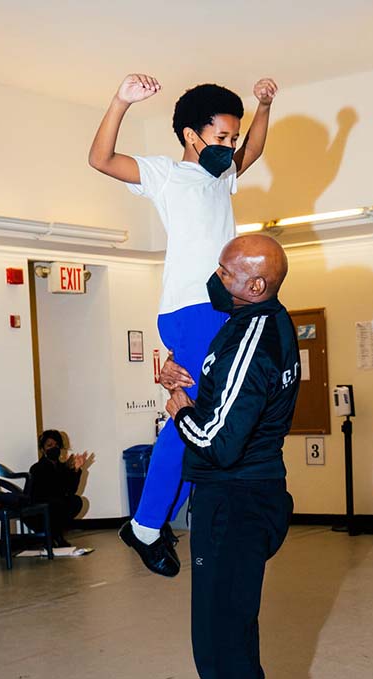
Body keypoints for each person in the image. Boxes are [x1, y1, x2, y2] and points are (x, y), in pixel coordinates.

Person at [89, 73, 278, 576]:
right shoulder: (166, 174)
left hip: (218, 306)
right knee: (191, 415)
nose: (230, 146)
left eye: (232, 138)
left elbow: (254, 151)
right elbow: (101, 160)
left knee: (209, 414)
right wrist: (120, 99)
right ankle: (146, 525)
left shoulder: (221, 176)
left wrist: (262, 107)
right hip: (192, 307)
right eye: (221, 137)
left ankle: (159, 519)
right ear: (192, 135)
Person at [162, 234, 300, 679]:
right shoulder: (255, 320)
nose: (215, 278)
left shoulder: (253, 338)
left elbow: (219, 444)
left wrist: (181, 410)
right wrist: (177, 379)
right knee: (230, 634)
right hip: (247, 495)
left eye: (225, 272)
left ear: (256, 286)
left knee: (221, 647)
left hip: (234, 501)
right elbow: (231, 399)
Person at [26, 430, 88, 548]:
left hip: (56, 507)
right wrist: (66, 469)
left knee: (76, 501)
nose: (54, 448)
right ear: (43, 449)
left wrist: (75, 470)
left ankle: (56, 534)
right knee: (56, 503)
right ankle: (52, 535)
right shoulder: (36, 468)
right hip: (38, 512)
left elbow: (71, 490)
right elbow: (47, 492)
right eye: (49, 445)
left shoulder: (62, 467)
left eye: (57, 445)